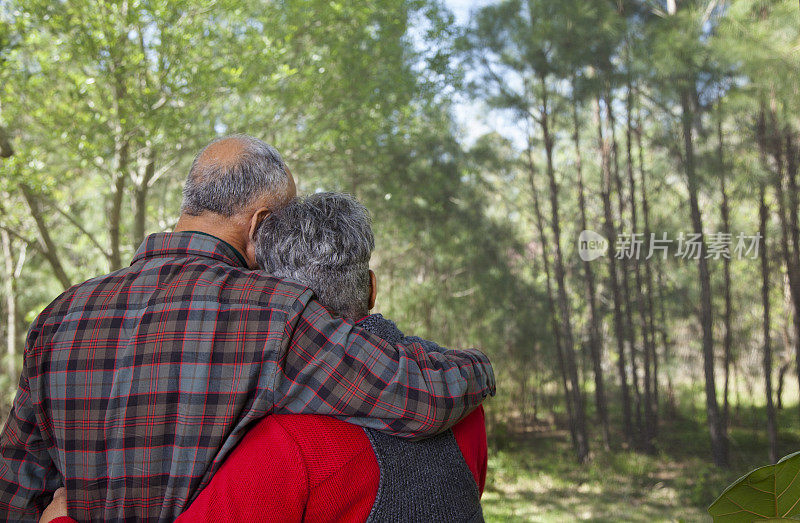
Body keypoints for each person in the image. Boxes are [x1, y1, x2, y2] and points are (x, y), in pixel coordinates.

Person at [0, 135, 495, 521]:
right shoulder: (275, 313)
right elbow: (417, 396)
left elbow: (17, 487)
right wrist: (478, 366)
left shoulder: (58, 315)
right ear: (260, 225)